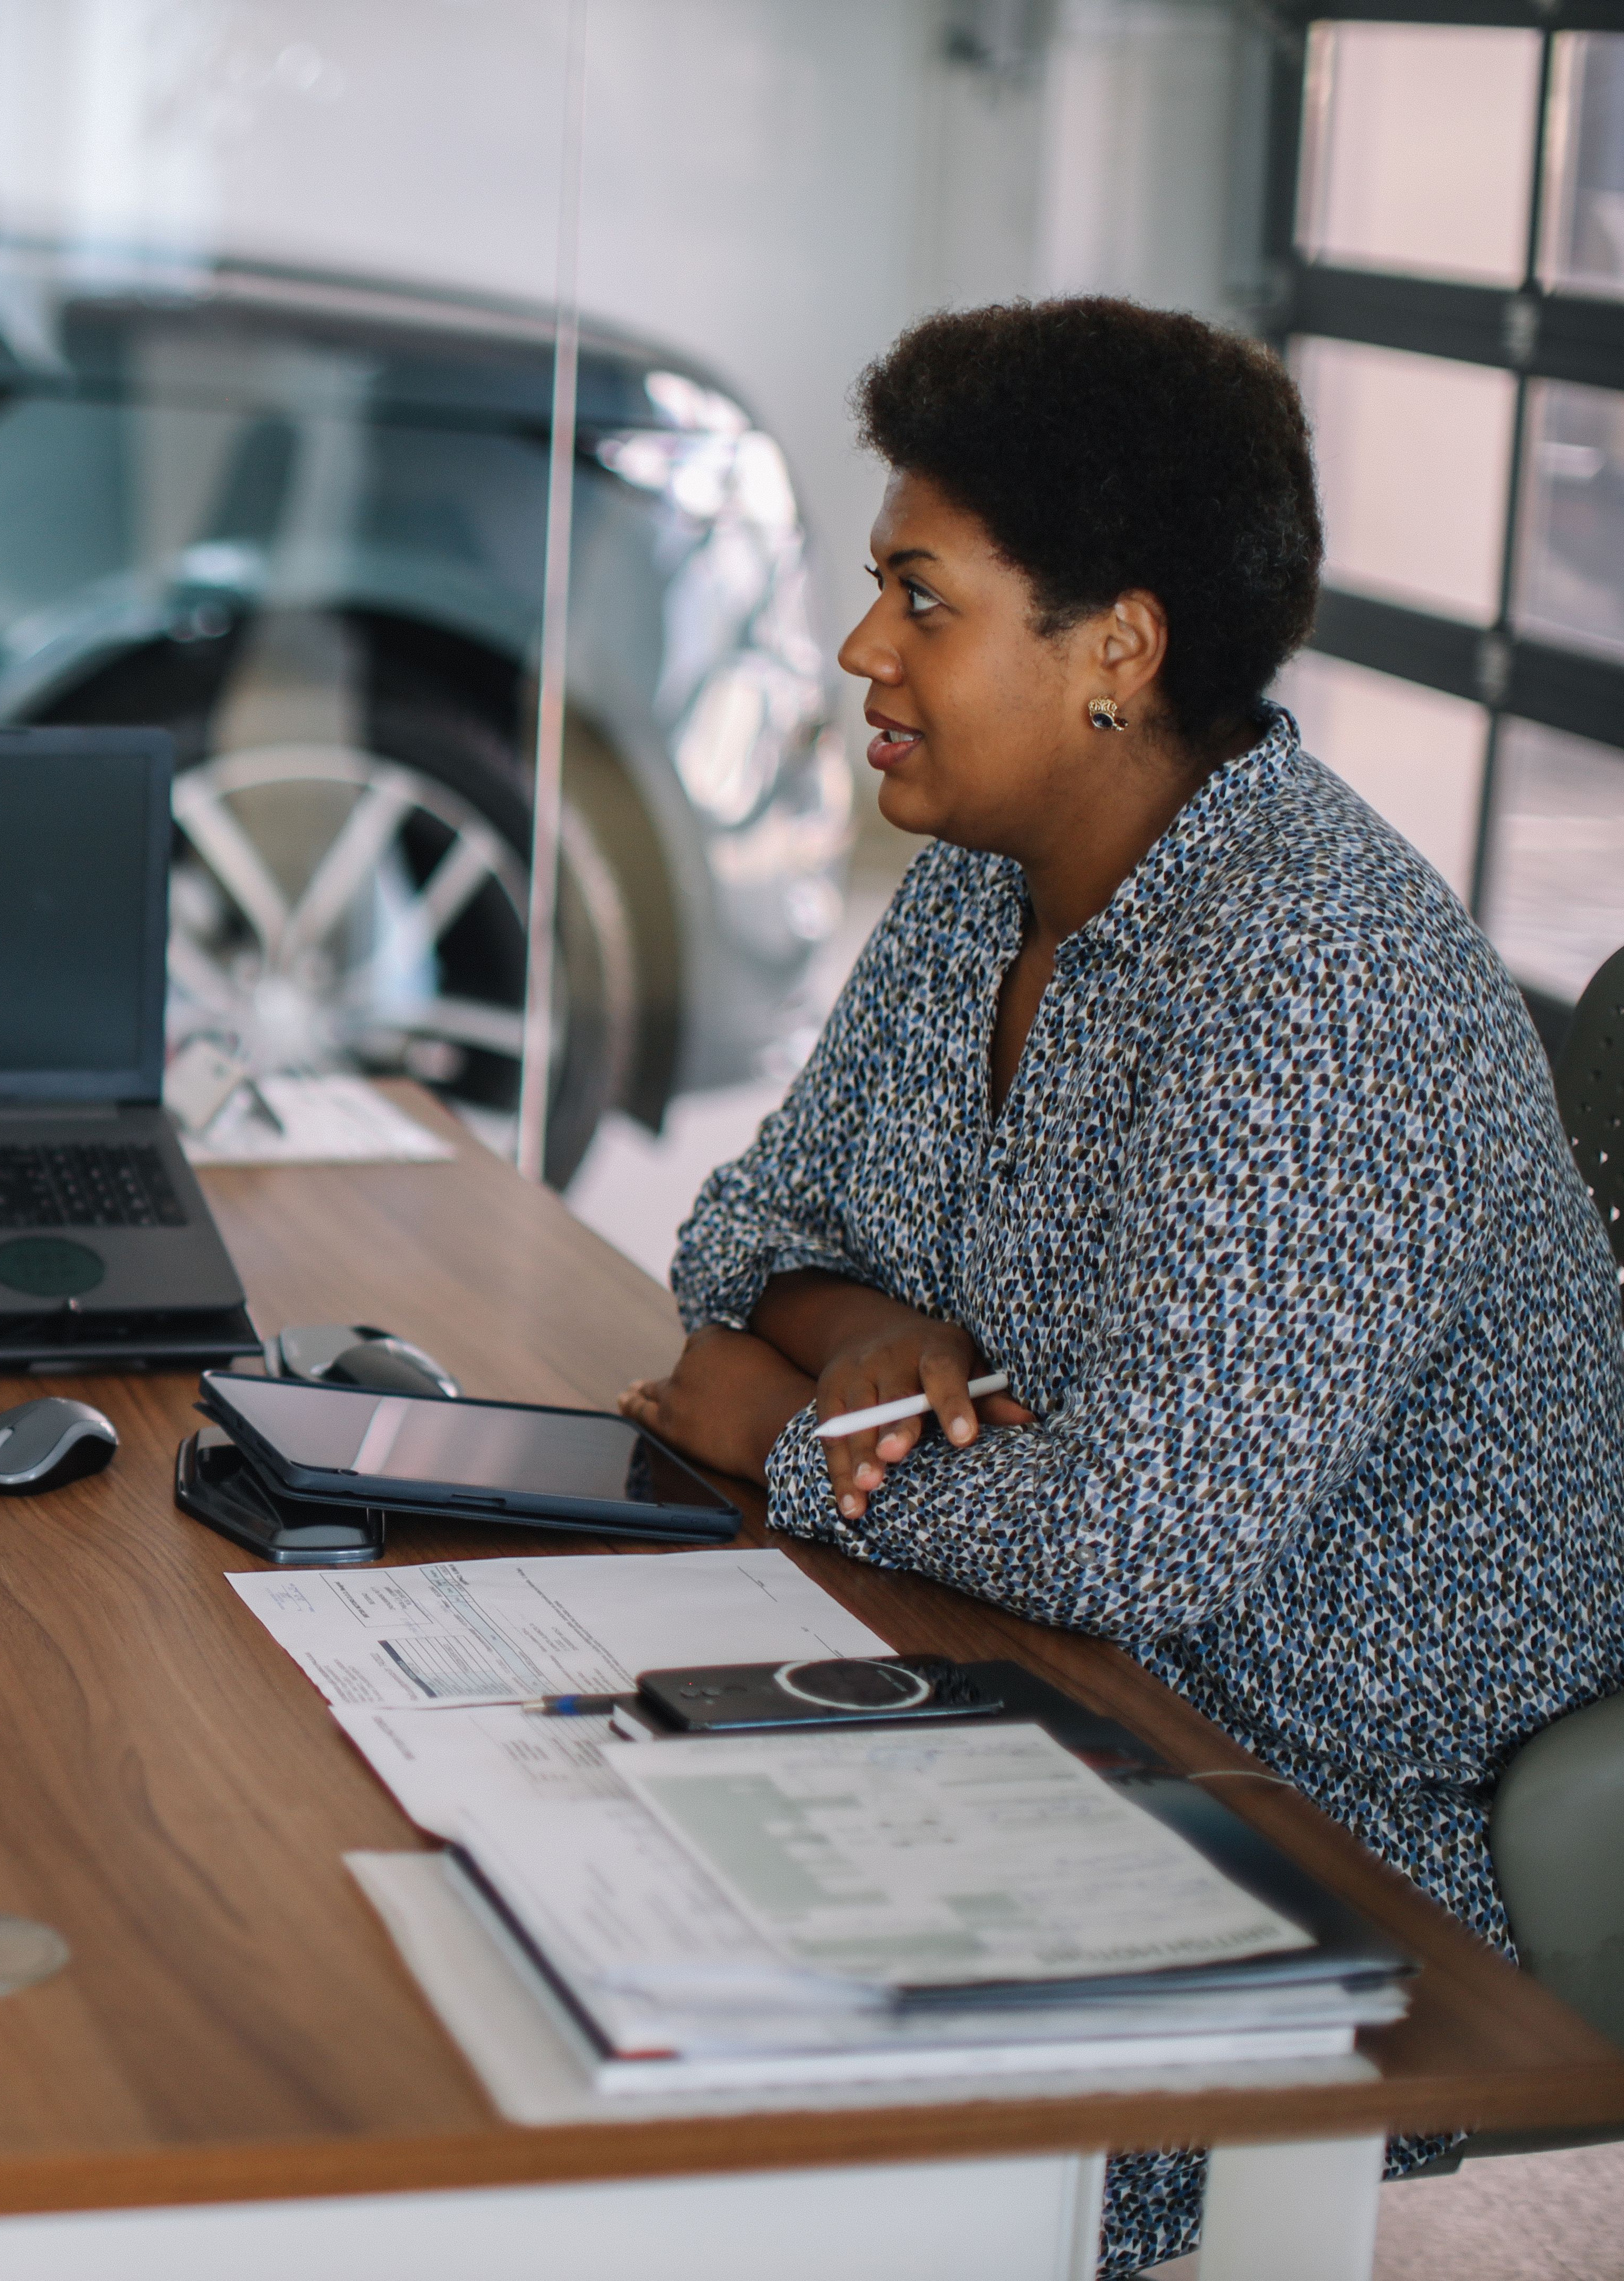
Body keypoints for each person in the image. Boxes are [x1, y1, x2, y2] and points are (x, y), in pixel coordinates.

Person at [617, 298, 1624, 2275]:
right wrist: (859, 1335)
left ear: (1119, 651)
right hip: (1045, 1692)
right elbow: (745, 1229)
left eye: (924, 599)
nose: (860, 651)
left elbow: (1135, 1536)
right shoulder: (990, 878)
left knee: (731, 2143)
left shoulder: (1314, 984)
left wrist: (785, 1427)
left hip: (1338, 1816)